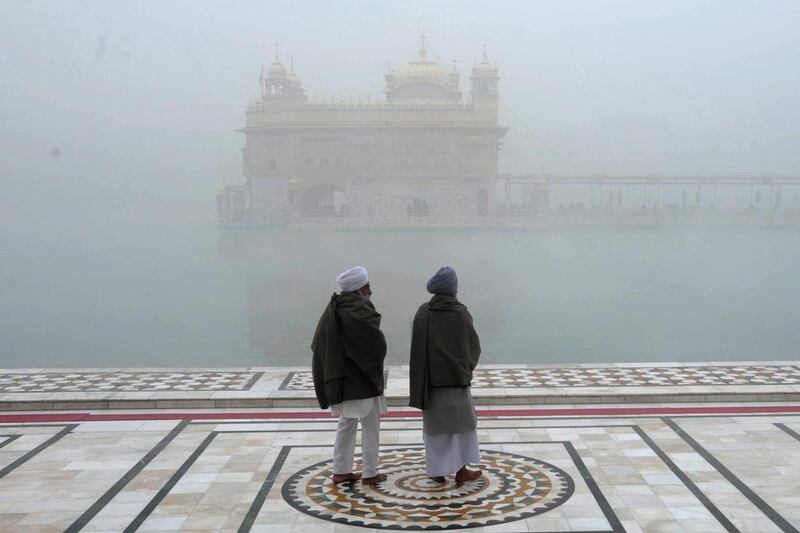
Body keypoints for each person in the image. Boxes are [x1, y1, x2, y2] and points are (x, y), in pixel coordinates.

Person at [312, 266, 388, 485]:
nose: (370, 290)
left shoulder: (334, 306)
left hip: (343, 379)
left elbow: (318, 344)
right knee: (371, 426)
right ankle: (370, 472)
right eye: (368, 287)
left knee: (347, 423)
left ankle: (341, 470)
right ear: (360, 289)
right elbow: (373, 345)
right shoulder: (359, 311)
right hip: (361, 381)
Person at [409, 266, 482, 484]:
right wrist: (466, 368)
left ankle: (436, 471)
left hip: (431, 382)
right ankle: (461, 470)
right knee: (462, 428)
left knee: (436, 431)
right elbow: (473, 347)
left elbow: (416, 349)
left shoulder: (423, 312)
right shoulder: (460, 312)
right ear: (453, 288)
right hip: (456, 380)